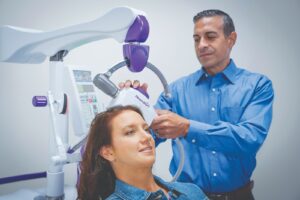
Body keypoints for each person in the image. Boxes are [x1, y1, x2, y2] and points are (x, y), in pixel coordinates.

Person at [119, 9, 274, 200]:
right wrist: (136, 108)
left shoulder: (257, 85)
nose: (201, 45)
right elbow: (148, 137)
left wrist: (187, 128)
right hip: (186, 196)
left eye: (210, 37)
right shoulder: (175, 91)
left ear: (231, 39)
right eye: (196, 39)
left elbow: (249, 140)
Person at [77, 105, 208, 200]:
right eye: (130, 132)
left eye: (146, 129)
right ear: (108, 152)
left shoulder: (192, 192)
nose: (147, 137)